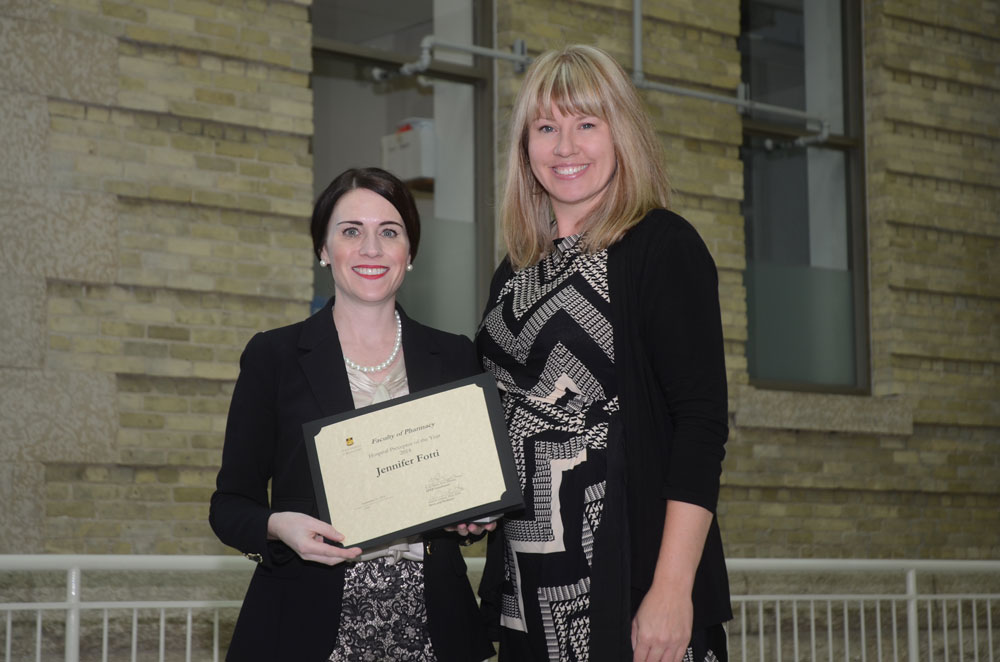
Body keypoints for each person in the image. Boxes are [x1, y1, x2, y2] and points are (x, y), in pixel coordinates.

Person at [476, 45, 732, 662]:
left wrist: (671, 588)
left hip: (626, 582)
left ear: (622, 133)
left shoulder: (662, 247)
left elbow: (700, 427)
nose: (565, 147)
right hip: (525, 587)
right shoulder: (512, 272)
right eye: (546, 127)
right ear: (525, 146)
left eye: (586, 124)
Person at [210, 167, 496, 662]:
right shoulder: (274, 357)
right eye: (350, 232)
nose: (371, 248)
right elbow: (230, 505)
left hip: (434, 627)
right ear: (323, 249)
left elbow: (463, 490)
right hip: (305, 623)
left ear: (410, 253)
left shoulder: (454, 356)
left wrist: (473, 512)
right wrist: (280, 526)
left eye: (389, 232)